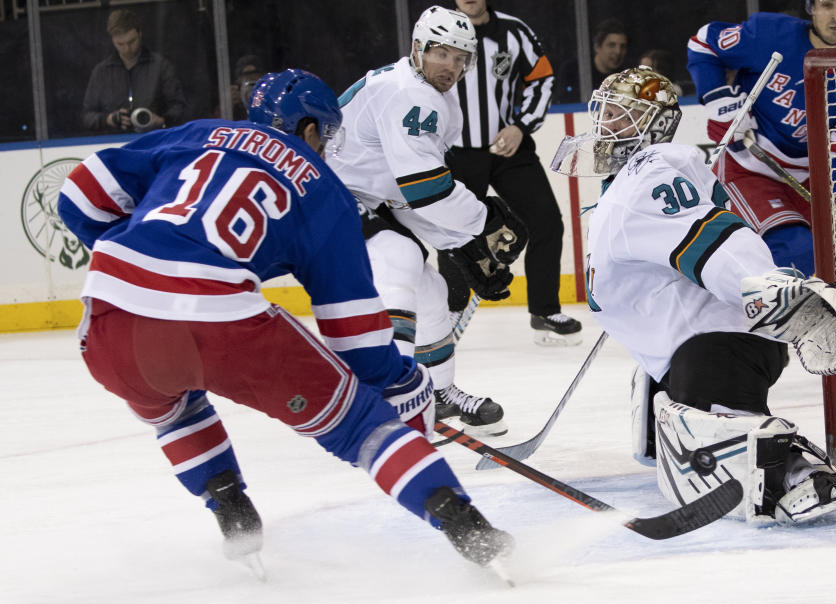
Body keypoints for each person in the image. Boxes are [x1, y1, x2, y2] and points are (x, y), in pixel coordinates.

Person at [56, 69, 512, 570]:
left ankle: (233, 513)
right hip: (223, 321)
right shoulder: (324, 190)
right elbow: (356, 334)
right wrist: (400, 391)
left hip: (109, 317)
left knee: (173, 408)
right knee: (363, 429)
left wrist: (137, 249)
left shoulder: (198, 133)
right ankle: (470, 529)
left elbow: (78, 193)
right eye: (326, 133)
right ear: (310, 130)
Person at [551, 66, 836, 525]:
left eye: (623, 117)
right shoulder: (624, 187)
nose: (606, 128)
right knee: (679, 415)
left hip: (719, 344)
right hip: (701, 343)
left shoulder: (648, 173)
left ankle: (802, 472)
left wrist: (765, 288)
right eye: (604, 115)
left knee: (724, 429)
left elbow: (708, 237)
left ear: (654, 127)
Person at [326, 6, 528, 436]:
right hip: (329, 197)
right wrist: (481, 222)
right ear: (418, 49)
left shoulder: (429, 92)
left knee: (433, 293)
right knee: (398, 259)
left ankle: (436, 393)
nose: (451, 67)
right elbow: (423, 190)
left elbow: (407, 192)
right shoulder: (409, 94)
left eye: (460, 59)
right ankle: (393, 401)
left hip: (366, 198)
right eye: (442, 54)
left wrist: (458, 240)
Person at [687, 0, 836, 370]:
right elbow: (703, 43)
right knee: (795, 247)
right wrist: (718, 99)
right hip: (751, 165)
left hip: (812, 176)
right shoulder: (768, 34)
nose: (835, 16)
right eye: (826, 5)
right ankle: (761, 327)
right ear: (811, 8)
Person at [439, 0, 582, 346]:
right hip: (456, 152)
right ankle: (450, 313)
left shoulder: (514, 32)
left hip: (508, 148)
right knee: (452, 232)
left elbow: (542, 78)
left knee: (546, 221)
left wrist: (521, 126)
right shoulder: (439, 31)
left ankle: (544, 310)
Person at [82, 9, 187, 133]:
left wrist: (162, 120)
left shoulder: (161, 66)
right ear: (112, 40)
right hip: (112, 142)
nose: (127, 49)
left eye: (132, 42)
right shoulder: (101, 72)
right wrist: (109, 119)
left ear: (140, 34)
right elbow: (86, 116)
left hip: (154, 138)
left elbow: (179, 106)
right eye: (120, 44)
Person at [555, 19, 630, 103]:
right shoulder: (572, 70)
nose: (618, 51)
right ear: (597, 47)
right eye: (611, 45)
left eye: (622, 46)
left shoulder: (628, 75)